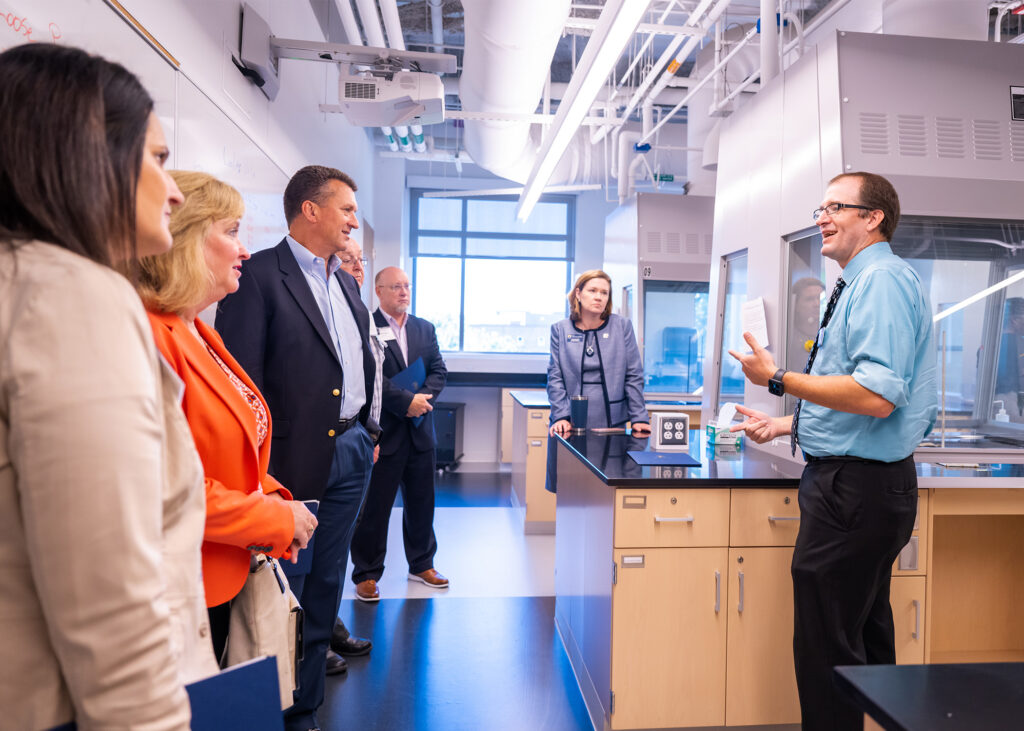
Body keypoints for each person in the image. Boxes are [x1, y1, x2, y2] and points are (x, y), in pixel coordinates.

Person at [0, 43, 217, 729]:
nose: (176, 189)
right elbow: (110, 598)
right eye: (156, 159)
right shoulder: (74, 297)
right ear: (85, 156)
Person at [728, 172, 937, 731]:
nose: (821, 216)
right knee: (861, 635)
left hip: (855, 491)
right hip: (858, 485)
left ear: (873, 218)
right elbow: (856, 390)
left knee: (826, 646)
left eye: (835, 206)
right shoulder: (862, 281)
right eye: (820, 206)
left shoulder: (881, 282)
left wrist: (779, 379)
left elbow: (876, 395)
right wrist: (787, 423)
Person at [216, 164, 379, 731]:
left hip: (353, 449)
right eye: (347, 210)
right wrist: (259, 472)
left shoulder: (344, 281)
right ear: (310, 210)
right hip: (291, 459)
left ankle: (306, 708)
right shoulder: (258, 276)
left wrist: (369, 433)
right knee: (287, 587)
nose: (354, 221)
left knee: (327, 585)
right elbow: (243, 382)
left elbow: (360, 361)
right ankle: (276, 709)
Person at [136, 170, 318, 662]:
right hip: (176, 584)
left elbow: (230, 451)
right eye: (233, 232)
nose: (245, 252)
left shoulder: (198, 331)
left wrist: (281, 498)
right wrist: (274, 517)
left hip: (219, 569)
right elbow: (167, 486)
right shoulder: (152, 337)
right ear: (187, 241)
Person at [350, 266, 450, 602]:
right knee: (376, 507)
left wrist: (422, 401)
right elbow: (370, 376)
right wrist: (405, 401)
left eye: (407, 286)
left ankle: (422, 564)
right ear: (378, 291)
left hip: (421, 431)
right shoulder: (367, 327)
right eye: (396, 287)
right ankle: (366, 573)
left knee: (422, 503)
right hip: (386, 432)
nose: (403, 292)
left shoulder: (424, 328)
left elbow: (438, 370)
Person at [324, 239, 378, 675]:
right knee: (316, 554)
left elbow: (368, 377)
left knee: (337, 550)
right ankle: (313, 636)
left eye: (361, 261)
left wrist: (369, 430)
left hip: (358, 435)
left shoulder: (356, 307)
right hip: (322, 441)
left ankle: (329, 624)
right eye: (348, 259)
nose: (356, 267)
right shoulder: (329, 301)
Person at [546, 270, 650, 492]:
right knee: (572, 490)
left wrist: (639, 417)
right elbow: (555, 377)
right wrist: (562, 416)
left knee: (608, 487)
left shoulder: (621, 327)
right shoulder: (560, 330)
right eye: (592, 291)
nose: (599, 297)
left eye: (604, 292)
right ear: (578, 294)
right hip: (572, 423)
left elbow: (633, 374)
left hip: (612, 423)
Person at [995, 297, 1024, 421]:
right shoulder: (1019, 344)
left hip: (995, 404)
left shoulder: (990, 345)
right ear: (1014, 320)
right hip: (1011, 404)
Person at [788, 277, 825, 373]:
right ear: (796, 305)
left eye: (820, 298)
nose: (817, 304)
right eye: (809, 299)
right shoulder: (787, 338)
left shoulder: (830, 334)